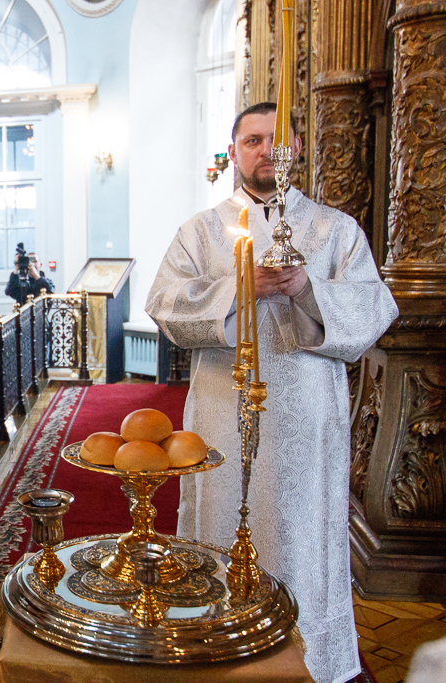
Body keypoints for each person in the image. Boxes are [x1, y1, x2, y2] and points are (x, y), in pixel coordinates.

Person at [146, 102, 398, 683]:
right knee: (218, 513)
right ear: (233, 152)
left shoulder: (335, 230)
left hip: (307, 412)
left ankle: (312, 655)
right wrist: (240, 287)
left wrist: (308, 289)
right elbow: (164, 304)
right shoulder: (200, 231)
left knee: (303, 528)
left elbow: (374, 308)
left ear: (296, 151)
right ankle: (212, 643)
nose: (264, 151)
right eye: (252, 140)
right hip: (220, 407)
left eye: (275, 141)